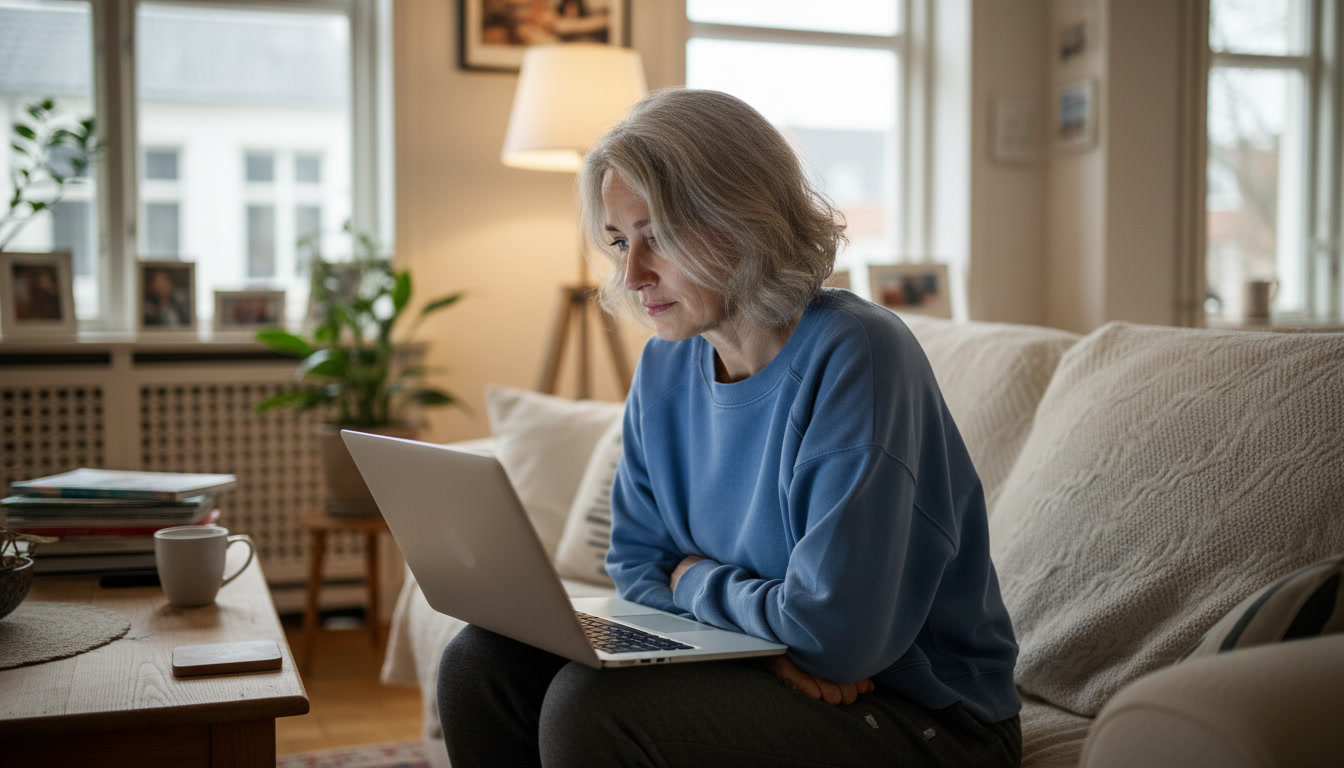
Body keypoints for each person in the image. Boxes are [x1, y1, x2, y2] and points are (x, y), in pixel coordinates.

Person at [437, 88, 1022, 767]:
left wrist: (692, 583)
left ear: (740, 219)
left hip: (923, 717)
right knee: (480, 663)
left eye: (656, 237)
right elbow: (632, 563)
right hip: (779, 664)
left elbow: (833, 639)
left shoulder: (857, 353)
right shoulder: (665, 364)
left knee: (591, 709)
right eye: (620, 241)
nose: (632, 275)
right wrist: (762, 652)